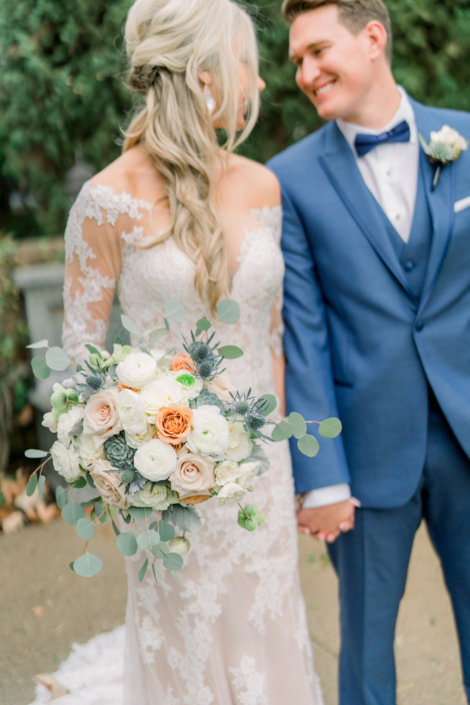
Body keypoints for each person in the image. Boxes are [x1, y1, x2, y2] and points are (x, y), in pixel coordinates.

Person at [60, 0, 323, 703]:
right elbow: (81, 364)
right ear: (204, 76)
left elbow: (271, 342)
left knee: (267, 637)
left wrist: (293, 469)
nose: (261, 84)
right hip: (164, 484)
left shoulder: (263, 186)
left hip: (260, 477)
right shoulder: (105, 202)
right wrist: (128, 482)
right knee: (189, 649)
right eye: (248, 64)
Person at [268, 0, 470, 703]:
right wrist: (319, 472)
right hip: (363, 458)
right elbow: (304, 331)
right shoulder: (288, 179)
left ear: (374, 38)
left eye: (318, 50)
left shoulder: (466, 139)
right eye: (296, 60)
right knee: (365, 654)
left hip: (468, 438)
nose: (305, 71)